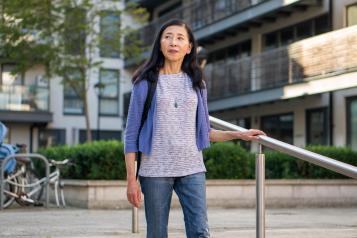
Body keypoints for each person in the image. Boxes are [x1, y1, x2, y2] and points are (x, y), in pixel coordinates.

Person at [124, 19, 266, 238]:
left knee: (200, 231)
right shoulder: (144, 82)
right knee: (157, 234)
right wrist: (131, 180)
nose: (173, 42)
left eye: (180, 38)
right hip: (154, 171)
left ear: (189, 47)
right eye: (168, 36)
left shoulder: (197, 82)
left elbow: (205, 131)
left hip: (192, 168)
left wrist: (239, 134)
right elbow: (131, 134)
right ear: (160, 44)